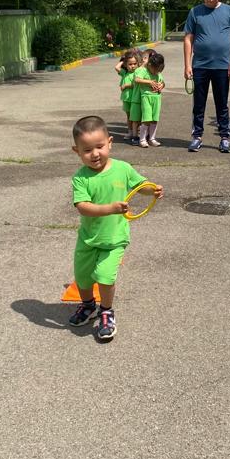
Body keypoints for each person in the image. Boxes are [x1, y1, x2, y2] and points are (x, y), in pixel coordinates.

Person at [68, 115, 163, 341]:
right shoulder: (80, 178)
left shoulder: (122, 168)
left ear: (110, 143)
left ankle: (106, 311)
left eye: (99, 147)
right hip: (88, 238)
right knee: (82, 278)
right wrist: (110, 208)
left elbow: (140, 185)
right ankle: (88, 305)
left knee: (105, 277)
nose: (95, 154)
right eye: (87, 150)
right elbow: (83, 207)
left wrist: (152, 190)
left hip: (114, 238)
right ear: (76, 151)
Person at [183, 0, 230, 153]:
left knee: (222, 104)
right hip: (200, 66)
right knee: (198, 104)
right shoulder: (195, 12)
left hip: (222, 66)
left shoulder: (229, 11)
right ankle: (197, 137)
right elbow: (188, 38)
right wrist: (187, 65)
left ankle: (224, 138)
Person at [135, 51, 165, 147]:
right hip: (146, 97)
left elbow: (162, 82)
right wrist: (149, 82)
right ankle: (142, 139)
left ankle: (152, 138)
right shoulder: (143, 71)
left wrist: (161, 85)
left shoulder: (158, 73)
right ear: (149, 64)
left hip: (157, 98)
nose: (156, 72)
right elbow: (137, 79)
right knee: (146, 119)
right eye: (155, 70)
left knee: (155, 119)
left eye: (158, 70)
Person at [118, 49, 141, 144]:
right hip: (126, 98)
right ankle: (130, 131)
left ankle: (136, 130)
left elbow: (135, 84)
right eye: (130, 64)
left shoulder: (137, 73)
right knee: (128, 116)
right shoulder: (125, 73)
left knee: (134, 116)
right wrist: (123, 60)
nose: (133, 66)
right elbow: (116, 67)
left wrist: (126, 85)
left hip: (134, 99)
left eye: (135, 64)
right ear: (126, 65)